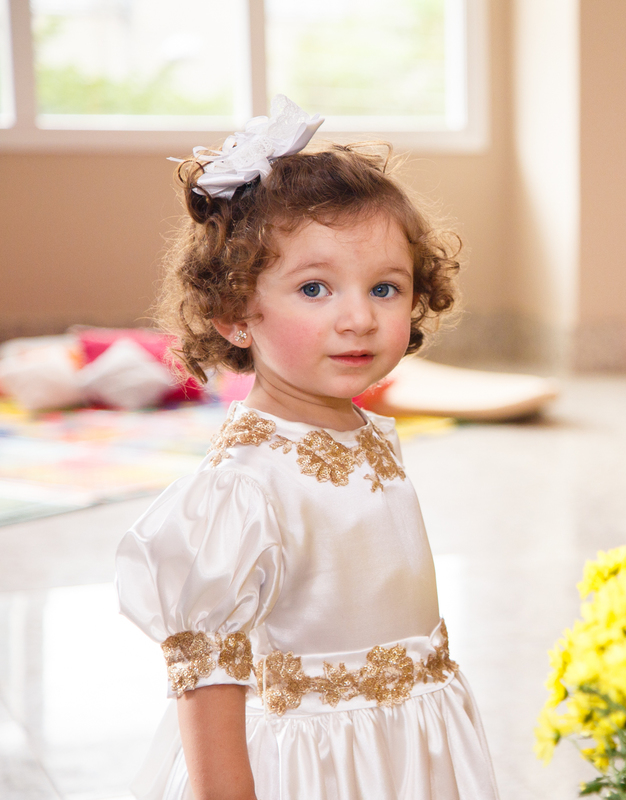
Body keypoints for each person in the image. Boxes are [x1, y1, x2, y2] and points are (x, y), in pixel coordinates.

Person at [115, 96, 499, 800]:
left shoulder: (370, 434)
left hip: (409, 750)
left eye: (385, 287)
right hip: (316, 770)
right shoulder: (241, 487)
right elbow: (207, 680)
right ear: (235, 314)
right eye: (315, 288)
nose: (359, 318)